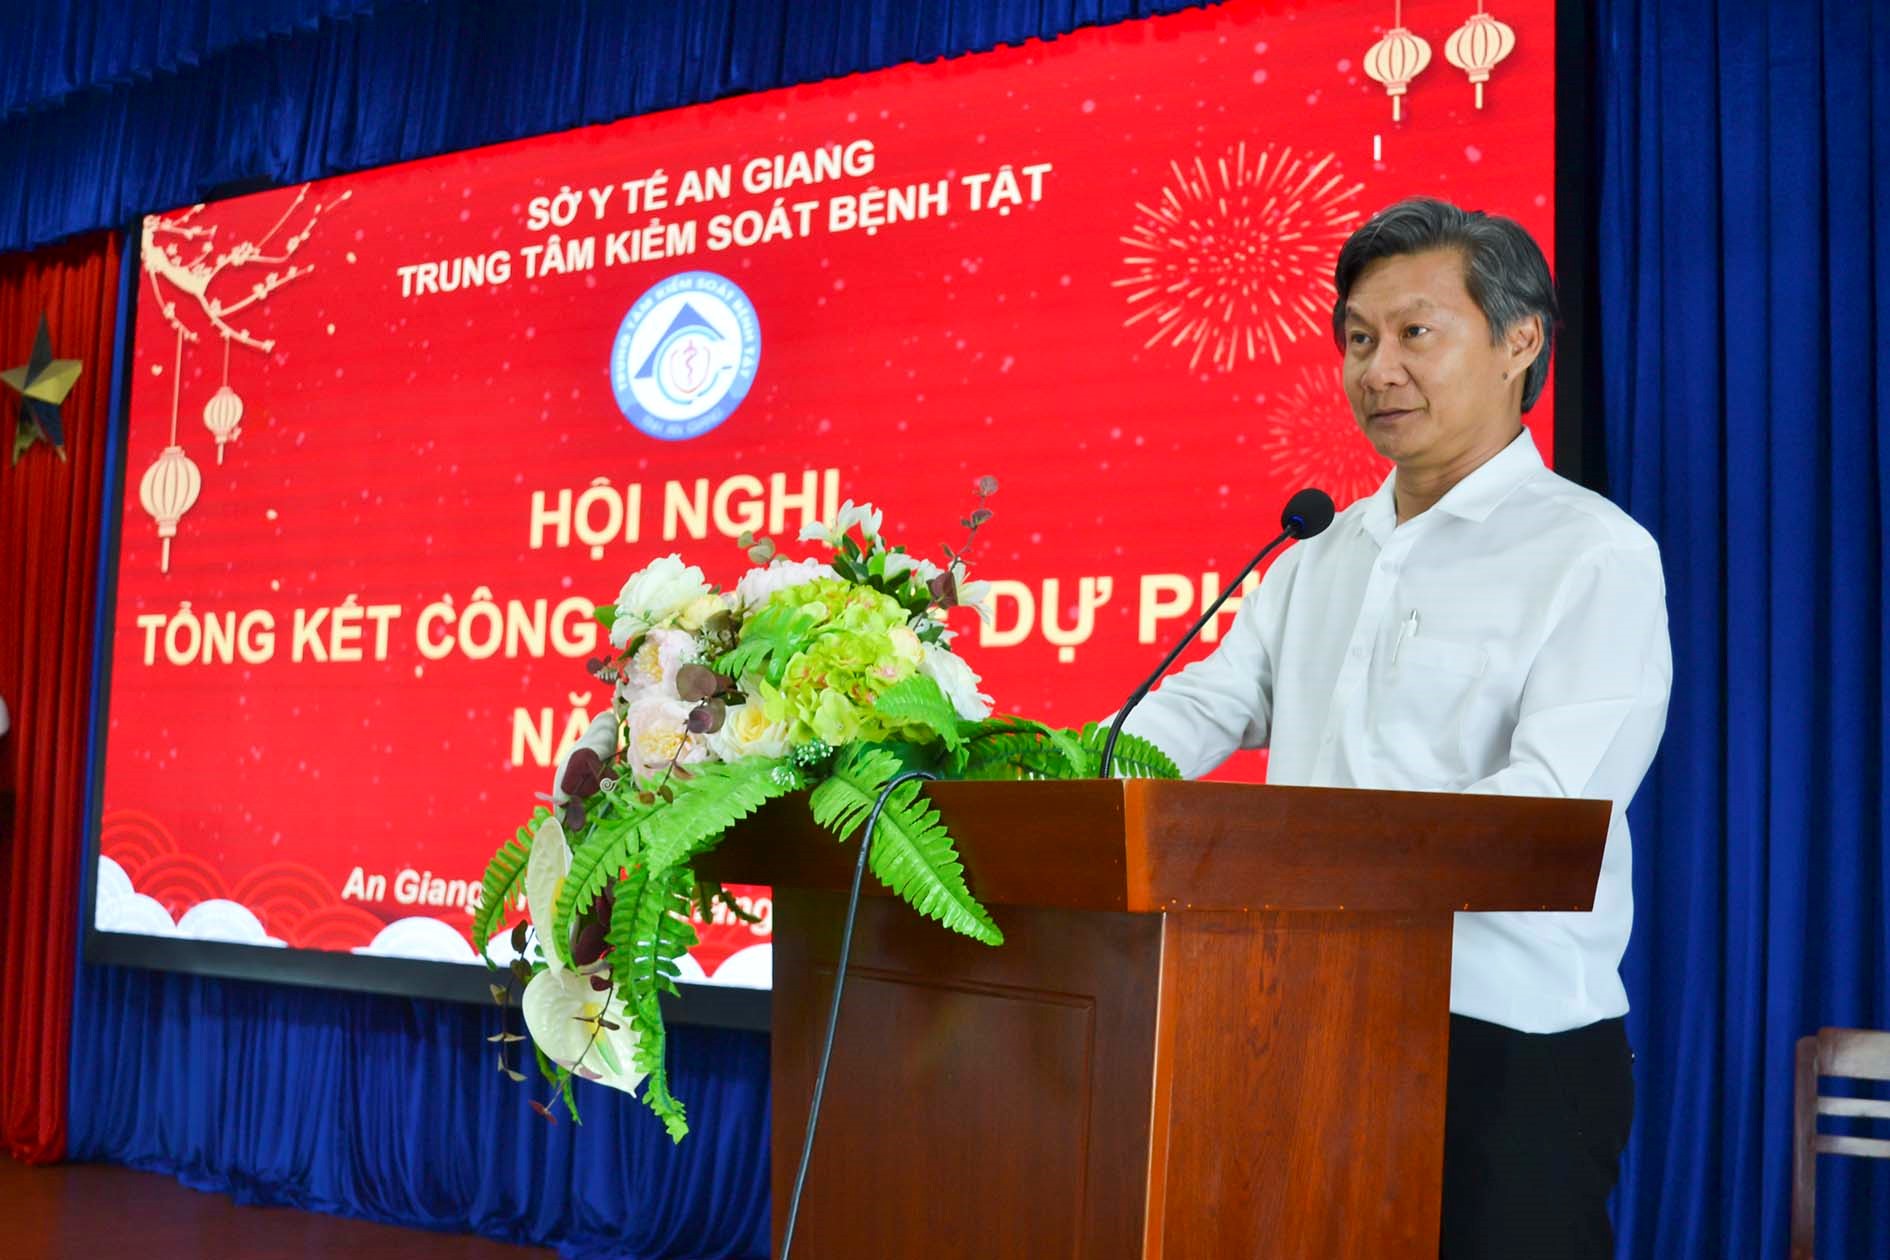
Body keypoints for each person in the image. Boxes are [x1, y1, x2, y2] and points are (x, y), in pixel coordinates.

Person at [1119, 197, 1672, 1259]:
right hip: (1303, 1019)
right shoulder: (1320, 553)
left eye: (1416, 332)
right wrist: (1066, 770)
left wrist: (1303, 861)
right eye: (1360, 340)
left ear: (1520, 341)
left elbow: (1550, 811)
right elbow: (1208, 703)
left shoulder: (1592, 554)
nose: (1379, 370)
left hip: (1503, 1046)